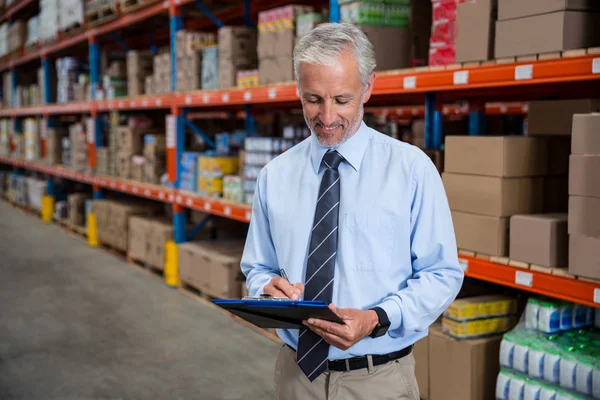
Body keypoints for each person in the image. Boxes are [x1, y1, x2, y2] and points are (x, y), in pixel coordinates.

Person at [241, 23, 464, 400]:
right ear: (298, 89)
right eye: (313, 99)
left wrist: (377, 318)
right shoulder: (274, 176)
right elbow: (257, 267)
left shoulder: (410, 170)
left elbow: (441, 274)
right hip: (296, 376)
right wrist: (265, 286)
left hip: (379, 380)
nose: (326, 117)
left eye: (341, 100)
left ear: (368, 88)